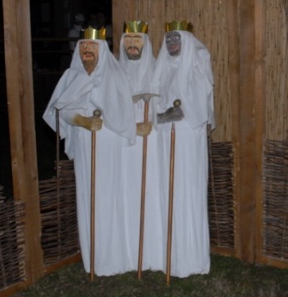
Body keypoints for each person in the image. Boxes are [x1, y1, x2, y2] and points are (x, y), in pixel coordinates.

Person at [43, 26, 136, 276]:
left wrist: (111, 121)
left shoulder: (116, 76)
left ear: (102, 50)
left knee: (112, 195)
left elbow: (124, 112)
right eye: (83, 46)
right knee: (89, 193)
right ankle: (95, 256)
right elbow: (59, 110)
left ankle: (118, 255)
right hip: (86, 144)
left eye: (93, 46)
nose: (87, 50)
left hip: (111, 146)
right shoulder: (70, 77)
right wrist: (81, 121)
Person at [153, 21, 215, 277]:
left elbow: (199, 108)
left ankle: (191, 258)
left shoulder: (197, 66)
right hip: (165, 139)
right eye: (168, 39)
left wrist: (180, 112)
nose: (171, 43)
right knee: (167, 191)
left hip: (188, 140)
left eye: (175, 39)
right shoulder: (161, 68)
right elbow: (154, 103)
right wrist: (162, 116)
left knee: (187, 191)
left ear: (187, 41)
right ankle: (168, 255)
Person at [118, 20, 165, 273]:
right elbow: (108, 107)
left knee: (151, 193)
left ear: (145, 44)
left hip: (152, 144)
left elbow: (168, 103)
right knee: (127, 194)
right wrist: (130, 125)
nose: (132, 45)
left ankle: (154, 253)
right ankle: (128, 253)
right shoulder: (114, 73)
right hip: (125, 146)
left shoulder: (158, 71)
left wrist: (153, 120)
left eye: (136, 40)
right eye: (128, 40)